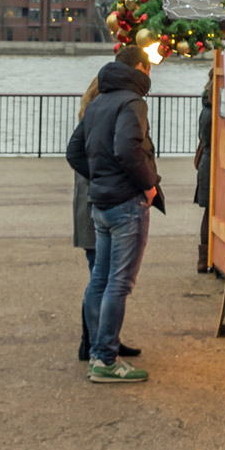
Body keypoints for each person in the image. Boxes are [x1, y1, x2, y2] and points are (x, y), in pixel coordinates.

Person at [66, 43, 164, 383]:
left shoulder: (99, 102)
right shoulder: (132, 102)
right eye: (148, 67)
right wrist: (148, 185)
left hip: (101, 204)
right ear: (140, 69)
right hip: (125, 204)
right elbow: (127, 148)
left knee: (101, 280)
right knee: (119, 284)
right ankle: (106, 358)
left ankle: (97, 350)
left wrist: (99, 177)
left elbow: (74, 151)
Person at [72, 76, 139, 363]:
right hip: (97, 204)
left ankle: (104, 338)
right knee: (101, 278)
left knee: (102, 276)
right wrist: (105, 177)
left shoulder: (91, 118)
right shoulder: (100, 122)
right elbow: (77, 156)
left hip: (93, 203)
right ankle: (95, 342)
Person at [193, 79, 213, 274]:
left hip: (206, 162)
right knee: (210, 211)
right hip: (211, 163)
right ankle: (206, 257)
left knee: (208, 211)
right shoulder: (213, 111)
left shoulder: (206, 108)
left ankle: (205, 257)